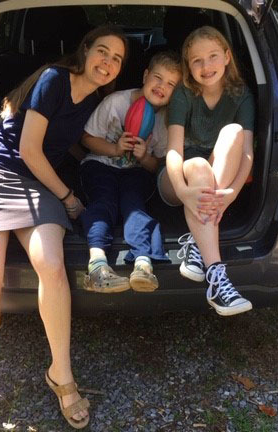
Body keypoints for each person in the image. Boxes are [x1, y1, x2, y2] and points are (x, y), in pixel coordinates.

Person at [0, 26, 128, 432]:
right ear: (84, 51)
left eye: (117, 59)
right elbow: (32, 150)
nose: (106, 62)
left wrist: (119, 152)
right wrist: (70, 197)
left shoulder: (92, 99)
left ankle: (61, 376)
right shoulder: (54, 78)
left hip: (35, 185)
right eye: (101, 51)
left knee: (52, 267)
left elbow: (71, 140)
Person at [157, 26, 255, 316]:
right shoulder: (184, 95)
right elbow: (174, 151)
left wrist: (232, 193)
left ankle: (198, 244)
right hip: (175, 179)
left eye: (212, 56)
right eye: (196, 60)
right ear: (188, 66)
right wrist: (184, 192)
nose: (206, 66)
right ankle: (217, 275)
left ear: (226, 57)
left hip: (213, 183)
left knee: (235, 131)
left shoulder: (241, 94)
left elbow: (247, 152)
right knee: (198, 166)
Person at [79, 51, 182, 293]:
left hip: (136, 172)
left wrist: (144, 156)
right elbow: (86, 138)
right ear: (145, 75)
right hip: (100, 164)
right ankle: (97, 264)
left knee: (132, 204)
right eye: (157, 78)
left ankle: (143, 264)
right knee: (104, 201)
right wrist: (114, 149)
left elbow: (159, 166)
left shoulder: (167, 121)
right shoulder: (116, 102)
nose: (161, 87)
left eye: (170, 84)